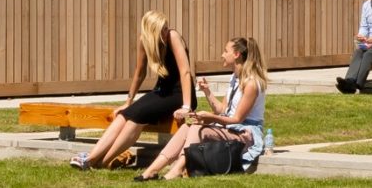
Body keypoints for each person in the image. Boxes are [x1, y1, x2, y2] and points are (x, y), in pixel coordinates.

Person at [70, 10, 194, 170]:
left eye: (166, 27)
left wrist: (186, 106)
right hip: (161, 91)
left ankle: (99, 162)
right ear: (152, 31)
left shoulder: (172, 36)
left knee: (137, 117)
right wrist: (128, 101)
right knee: (125, 115)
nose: (166, 31)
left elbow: (185, 72)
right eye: (162, 29)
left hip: (180, 94)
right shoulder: (144, 40)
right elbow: (139, 72)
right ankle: (92, 157)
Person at [135, 36, 269, 181]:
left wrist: (209, 118)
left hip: (246, 134)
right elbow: (222, 110)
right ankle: (152, 170)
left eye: (226, 51)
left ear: (236, 54)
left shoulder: (251, 84)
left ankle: (177, 169)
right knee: (188, 126)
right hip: (232, 128)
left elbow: (237, 119)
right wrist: (207, 92)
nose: (222, 55)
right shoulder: (235, 78)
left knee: (197, 129)